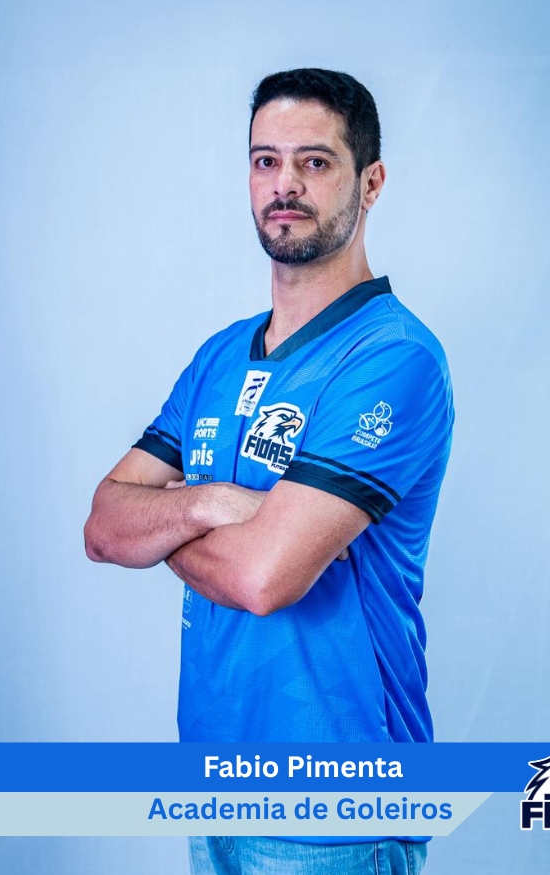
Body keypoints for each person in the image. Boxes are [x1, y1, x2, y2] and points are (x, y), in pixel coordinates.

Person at [85, 68, 454, 875]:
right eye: (265, 161)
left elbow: (262, 578)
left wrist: (166, 520)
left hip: (337, 806)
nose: (284, 185)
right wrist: (214, 503)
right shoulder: (219, 355)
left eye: (314, 162)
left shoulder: (392, 358)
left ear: (372, 182)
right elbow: (105, 527)